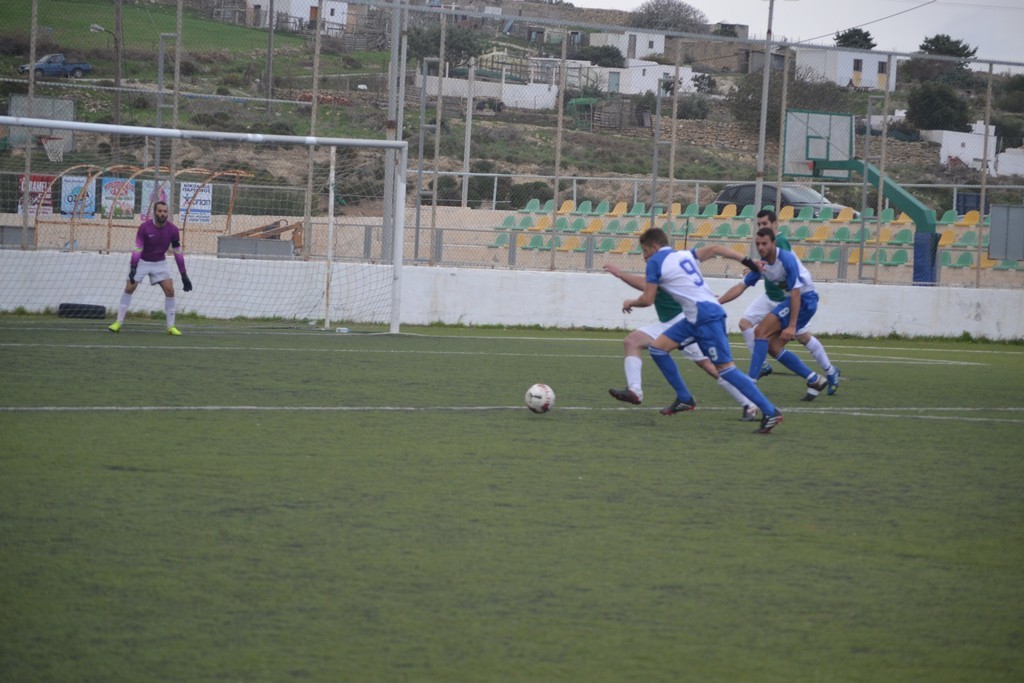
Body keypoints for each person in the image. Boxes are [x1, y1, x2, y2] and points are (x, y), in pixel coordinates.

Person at [621, 227, 784, 434]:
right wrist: (748, 262)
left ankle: (770, 411)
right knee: (658, 349)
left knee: (725, 369)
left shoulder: (656, 261)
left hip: (705, 316)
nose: (644, 256)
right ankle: (684, 398)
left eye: (645, 251)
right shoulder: (683, 254)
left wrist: (631, 302)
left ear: (654, 246)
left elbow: (647, 299)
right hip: (695, 316)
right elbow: (716, 248)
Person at [604, 262, 759, 422]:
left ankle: (749, 404)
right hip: (667, 324)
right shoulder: (664, 265)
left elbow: (646, 291)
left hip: (684, 321)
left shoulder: (665, 266)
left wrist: (622, 278)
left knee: (713, 367)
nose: (645, 255)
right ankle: (635, 390)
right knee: (632, 341)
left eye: (646, 251)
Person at [728, 210, 841, 397]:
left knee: (799, 336)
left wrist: (792, 324)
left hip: (794, 299)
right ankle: (813, 378)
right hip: (774, 297)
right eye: (759, 224)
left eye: (765, 224)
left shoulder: (779, 243)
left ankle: (829, 371)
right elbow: (749, 280)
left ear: (775, 225)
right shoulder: (765, 246)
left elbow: (792, 282)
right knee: (756, 332)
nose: (762, 228)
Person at [108, 201, 192, 335]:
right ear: (154, 212)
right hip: (142, 261)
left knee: (170, 290)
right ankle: (118, 323)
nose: (162, 214)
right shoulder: (144, 227)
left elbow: (177, 252)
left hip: (160, 262)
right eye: (160, 211)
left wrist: (184, 274)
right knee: (129, 288)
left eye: (165, 211)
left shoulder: (173, 230)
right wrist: (134, 266)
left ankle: (170, 327)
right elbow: (138, 248)